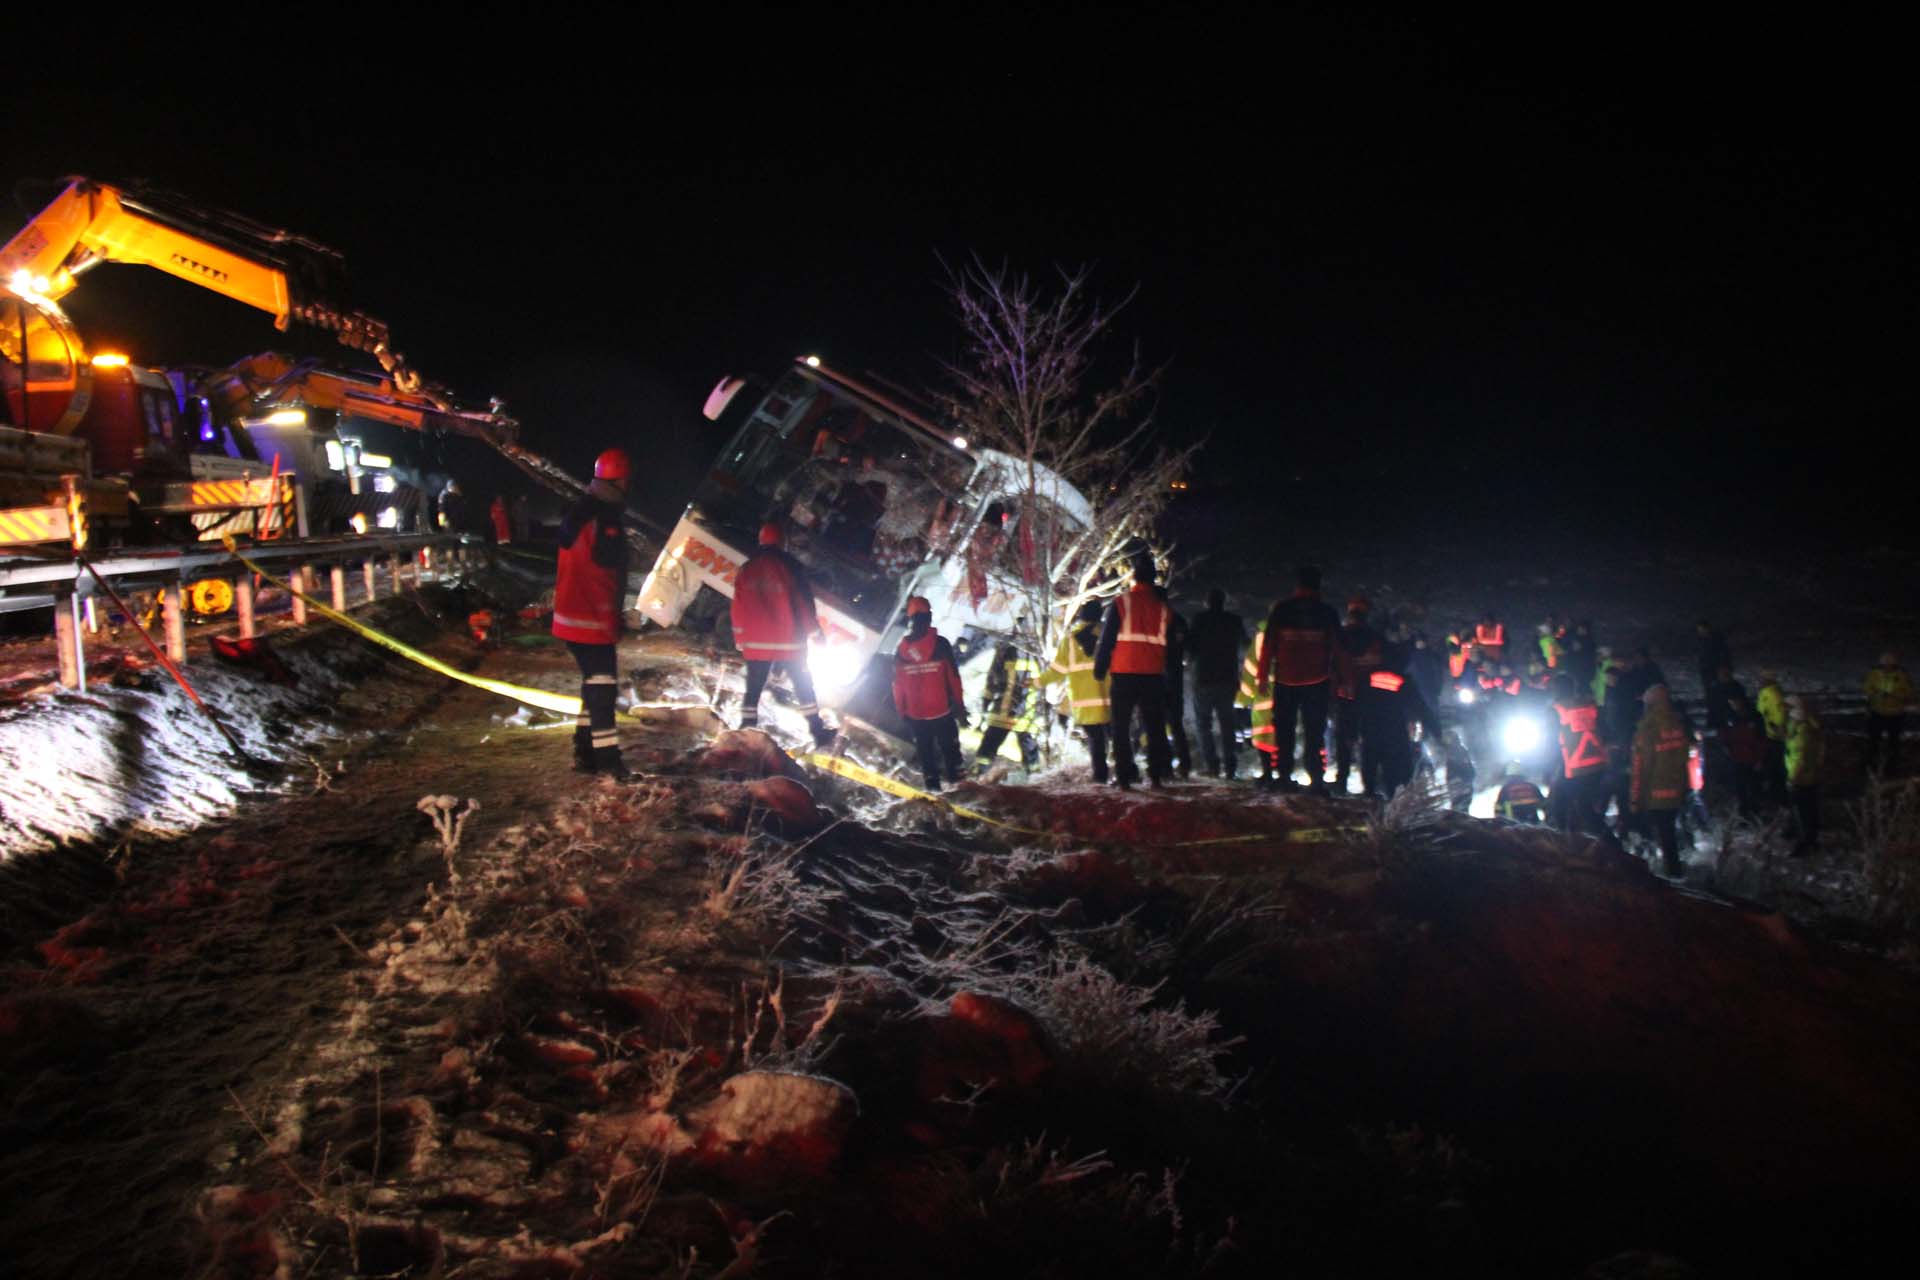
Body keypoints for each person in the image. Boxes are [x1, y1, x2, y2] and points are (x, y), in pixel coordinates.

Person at [552, 449, 633, 780]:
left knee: (593, 686)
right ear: (621, 480)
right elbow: (607, 575)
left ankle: (584, 753)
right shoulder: (607, 519)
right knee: (602, 692)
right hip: (591, 621)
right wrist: (614, 619)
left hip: (570, 617)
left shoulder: (581, 511)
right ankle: (609, 767)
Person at [731, 522, 835, 746]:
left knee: (754, 685)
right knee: (803, 684)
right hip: (788, 642)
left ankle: (746, 729)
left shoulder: (747, 569)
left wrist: (740, 639)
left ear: (761, 540)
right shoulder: (792, 567)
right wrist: (815, 633)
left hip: (757, 642)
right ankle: (817, 731)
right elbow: (803, 604)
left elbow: (738, 606)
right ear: (783, 542)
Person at [1258, 566, 1348, 795]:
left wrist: (1262, 677)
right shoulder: (1326, 612)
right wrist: (1344, 680)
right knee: (1314, 733)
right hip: (1317, 681)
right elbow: (1339, 650)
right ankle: (1316, 781)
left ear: (1297, 586)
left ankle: (1285, 778)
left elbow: (1268, 646)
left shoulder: (1282, 609)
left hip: (1285, 680)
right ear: (1318, 587)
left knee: (1284, 732)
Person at [1093, 557, 1174, 790]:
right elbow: (1168, 646)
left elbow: (1107, 640)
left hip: (1124, 672)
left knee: (1121, 727)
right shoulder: (1163, 610)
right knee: (1154, 726)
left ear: (1133, 578)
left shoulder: (1121, 603)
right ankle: (1156, 775)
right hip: (1153, 674)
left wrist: (1100, 668)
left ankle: (1125, 776)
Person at [891, 596, 968, 790]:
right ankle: (958, 788)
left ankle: (932, 788)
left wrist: (902, 711)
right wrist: (959, 707)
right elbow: (953, 678)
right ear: (930, 616)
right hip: (941, 711)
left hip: (916, 714)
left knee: (926, 753)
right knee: (951, 751)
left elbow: (897, 684)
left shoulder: (901, 650)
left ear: (910, 619)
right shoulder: (941, 645)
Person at [1039, 600, 1113, 783]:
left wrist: (1036, 682)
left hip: (1085, 702)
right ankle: (1127, 773)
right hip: (1110, 697)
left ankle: (1100, 777)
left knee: (1096, 741)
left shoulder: (1070, 639)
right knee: (1117, 736)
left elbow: (1057, 671)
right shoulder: (1109, 634)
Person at [1630, 684, 1691, 876]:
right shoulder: (1677, 723)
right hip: (1677, 787)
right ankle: (1676, 866)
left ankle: (1670, 873)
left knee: (1662, 833)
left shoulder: (1648, 729)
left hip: (1655, 791)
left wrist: (1635, 798)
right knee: (1670, 830)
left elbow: (1642, 766)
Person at [1188, 589, 1247, 778]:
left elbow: (1190, 647)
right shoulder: (1234, 621)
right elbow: (1246, 644)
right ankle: (1230, 766)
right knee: (1227, 723)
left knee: (1203, 723)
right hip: (1227, 678)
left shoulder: (1199, 620)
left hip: (1204, 677)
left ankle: (1212, 765)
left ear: (1207, 602)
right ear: (1224, 602)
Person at [1332, 596, 1384, 793]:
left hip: (1346, 694)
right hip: (1368, 696)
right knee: (1368, 741)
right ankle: (1368, 785)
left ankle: (1342, 782)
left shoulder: (1341, 635)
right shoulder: (1374, 636)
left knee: (1344, 740)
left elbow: (1333, 665)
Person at [977, 635, 1042, 772]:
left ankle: (979, 776)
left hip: (1004, 710)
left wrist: (985, 703)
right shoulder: (1038, 649)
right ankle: (1036, 781)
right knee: (1030, 754)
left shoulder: (1005, 649)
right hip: (1027, 713)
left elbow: (992, 679)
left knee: (987, 749)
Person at [1238, 619, 1279, 783]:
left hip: (1264, 694)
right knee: (1285, 733)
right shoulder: (1292, 633)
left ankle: (1268, 773)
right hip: (1288, 691)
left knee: (1263, 735)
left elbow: (1250, 667)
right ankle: (1284, 774)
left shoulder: (1261, 637)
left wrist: (1244, 698)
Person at [1786, 694, 1825, 856]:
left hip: (1801, 779)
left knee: (1802, 810)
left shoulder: (1802, 736)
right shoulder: (1806, 729)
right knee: (1808, 808)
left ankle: (1806, 842)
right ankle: (1808, 836)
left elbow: (1800, 760)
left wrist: (1793, 779)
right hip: (1810, 776)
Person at [1864, 651, 1913, 775]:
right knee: (1873, 741)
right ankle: (1870, 765)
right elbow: (1866, 688)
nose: (1887, 666)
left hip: (1895, 714)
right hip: (1877, 712)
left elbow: (1909, 693)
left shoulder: (1902, 676)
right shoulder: (1873, 674)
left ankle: (1892, 768)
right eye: (1884, 663)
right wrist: (1875, 694)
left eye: (1889, 663)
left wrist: (1893, 695)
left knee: (1894, 744)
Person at [1720, 691, 1768, 817]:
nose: (1734, 704)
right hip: (1736, 758)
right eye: (1731, 702)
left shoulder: (1755, 717)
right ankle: (1744, 813)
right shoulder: (1729, 716)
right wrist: (1726, 748)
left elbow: (1761, 739)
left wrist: (1759, 759)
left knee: (1753, 786)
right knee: (1740, 787)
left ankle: (1756, 812)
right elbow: (1724, 735)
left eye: (1736, 701)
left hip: (1752, 758)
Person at [1755, 670, 1790, 806]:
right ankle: (1776, 797)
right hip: (1769, 735)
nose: (1758, 682)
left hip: (1774, 737)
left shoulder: (1773, 694)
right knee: (1772, 768)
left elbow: (1779, 714)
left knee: (1775, 769)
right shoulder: (1766, 693)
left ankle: (1779, 799)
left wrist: (1776, 728)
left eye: (1761, 679)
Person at [1696, 622, 1733, 694]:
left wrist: (1725, 666)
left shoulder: (1717, 639)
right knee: (1708, 687)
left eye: (1702, 629)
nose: (1701, 632)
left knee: (1720, 686)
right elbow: (1701, 654)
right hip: (1706, 668)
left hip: (1717, 667)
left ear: (1708, 628)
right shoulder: (1701, 640)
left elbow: (1724, 652)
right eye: (1699, 630)